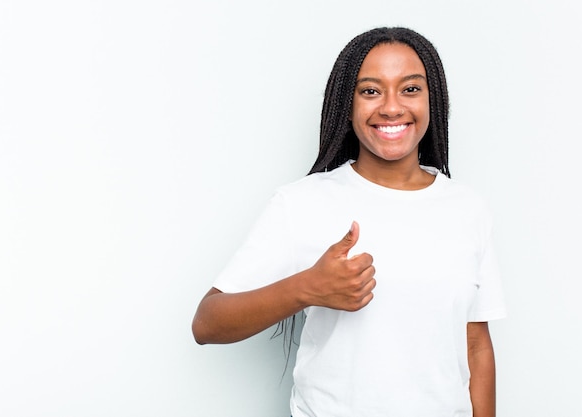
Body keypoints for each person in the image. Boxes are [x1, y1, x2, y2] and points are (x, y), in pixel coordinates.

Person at [192, 26, 506, 417]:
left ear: (433, 99)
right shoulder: (302, 202)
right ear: (347, 103)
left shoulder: (467, 207)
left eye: (410, 89)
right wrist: (306, 288)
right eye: (370, 91)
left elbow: (475, 344)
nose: (391, 107)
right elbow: (207, 323)